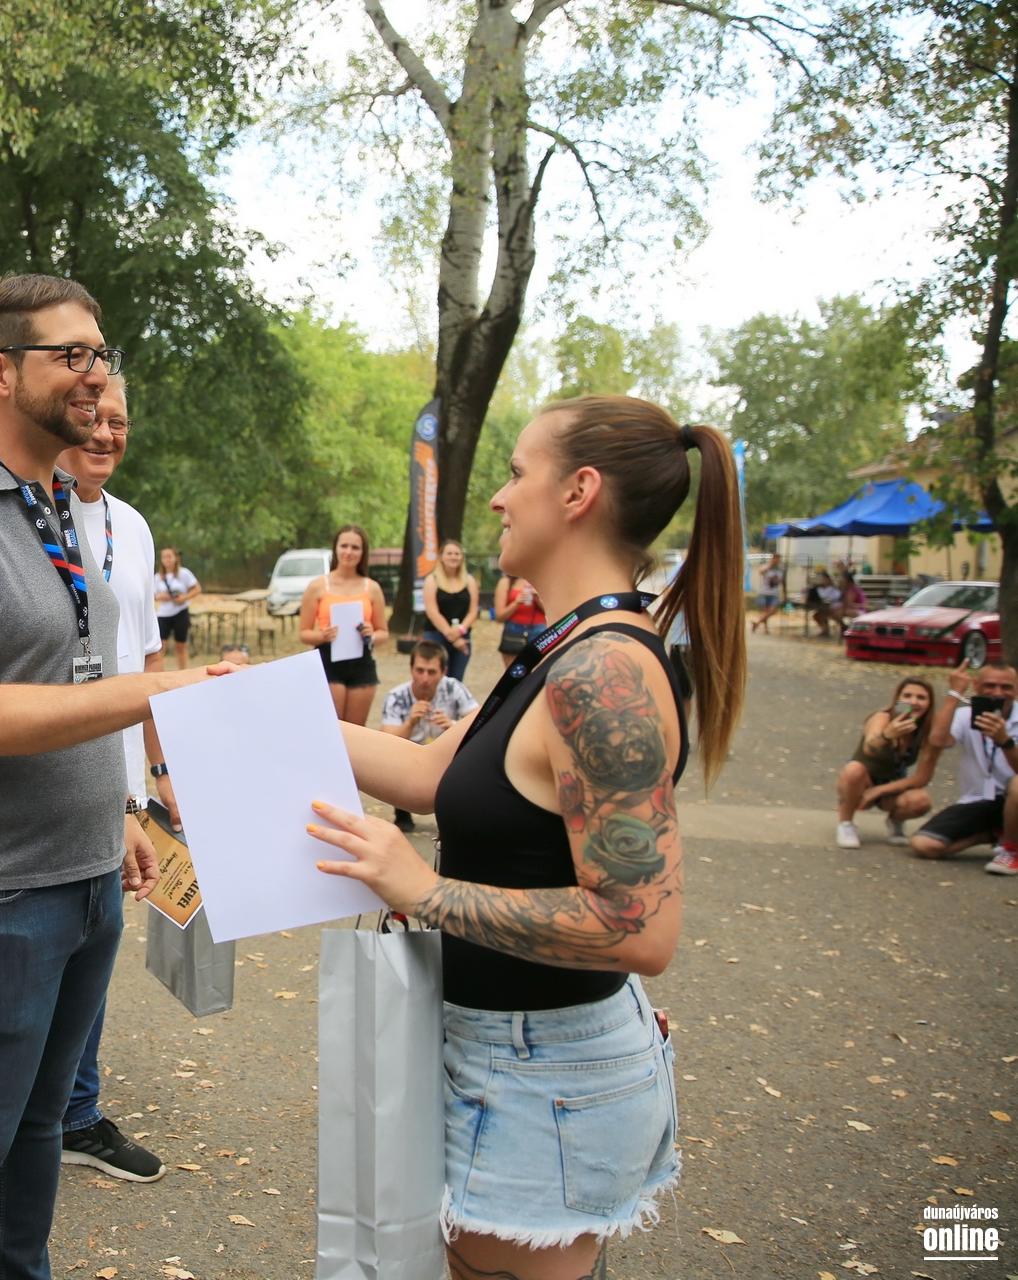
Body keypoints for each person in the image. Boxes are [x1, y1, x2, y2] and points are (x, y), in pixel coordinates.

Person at [308, 396, 746, 1279]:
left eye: (516, 474)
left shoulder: (604, 672)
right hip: (508, 1053)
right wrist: (253, 710)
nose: (499, 498)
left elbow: (639, 927)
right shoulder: (561, 647)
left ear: (579, 491)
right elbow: (427, 774)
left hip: (543, 1073)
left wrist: (425, 891)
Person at [0, 273, 226, 1278]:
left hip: (87, 877)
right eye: (70, 355)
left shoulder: (58, 506)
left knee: (39, 1126)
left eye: (99, 353)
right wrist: (158, 691)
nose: (95, 374)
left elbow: (69, 683)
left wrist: (121, 806)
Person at [53, 374, 167, 1183]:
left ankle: (72, 1110)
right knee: (56, 936)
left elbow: (149, 660)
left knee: (98, 936)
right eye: (92, 417)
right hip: (53, 768)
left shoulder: (133, 525)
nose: (104, 433)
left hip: (122, 777)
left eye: (118, 421)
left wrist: (158, 769)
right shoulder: (28, 514)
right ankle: (54, 1109)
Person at [910, 661, 1018, 874]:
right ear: (976, 686)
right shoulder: (965, 715)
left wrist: (1005, 742)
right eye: (990, 685)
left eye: (1006, 687)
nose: (998, 693)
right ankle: (995, 833)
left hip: (1014, 801)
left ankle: (1012, 851)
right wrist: (954, 693)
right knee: (924, 844)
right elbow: (938, 740)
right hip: (980, 800)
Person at [378, 639, 479, 831]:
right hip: (409, 753)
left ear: (443, 671)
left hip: (444, 751)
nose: (424, 678)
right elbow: (386, 742)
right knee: (394, 759)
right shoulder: (396, 696)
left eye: (432, 672)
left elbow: (480, 723)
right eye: (420, 671)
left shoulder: (453, 688)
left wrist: (453, 726)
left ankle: (453, 812)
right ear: (411, 669)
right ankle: (402, 811)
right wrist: (410, 722)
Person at [297, 525, 391, 725]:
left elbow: (384, 633)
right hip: (328, 661)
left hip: (362, 663)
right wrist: (323, 636)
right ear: (336, 548)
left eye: (355, 547)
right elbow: (304, 633)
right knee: (332, 727)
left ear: (363, 552)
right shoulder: (317, 586)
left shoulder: (372, 588)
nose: (349, 552)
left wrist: (372, 635)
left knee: (357, 730)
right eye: (344, 546)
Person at [833, 677, 938, 848]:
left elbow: (922, 778)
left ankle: (895, 821)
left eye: (921, 697)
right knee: (854, 769)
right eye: (907, 696)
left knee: (921, 801)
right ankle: (846, 824)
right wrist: (887, 735)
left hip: (891, 785)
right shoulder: (882, 718)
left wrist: (878, 791)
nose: (913, 702)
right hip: (861, 782)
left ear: (930, 703)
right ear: (897, 699)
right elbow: (869, 748)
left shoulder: (928, 731)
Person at [422, 538, 480, 680]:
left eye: (457, 554)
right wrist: (451, 635)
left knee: (456, 681)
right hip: (436, 636)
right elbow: (432, 612)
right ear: (441, 557)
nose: (453, 557)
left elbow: (473, 611)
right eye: (449, 553)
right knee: (436, 680)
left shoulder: (469, 581)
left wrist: (460, 631)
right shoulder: (432, 580)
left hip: (463, 638)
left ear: (462, 557)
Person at [154, 546, 200, 669]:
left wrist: (184, 597)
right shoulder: (158, 577)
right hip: (164, 614)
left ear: (175, 558)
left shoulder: (184, 573)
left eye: (169, 556)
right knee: (160, 646)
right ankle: (158, 673)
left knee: (181, 645)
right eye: (164, 557)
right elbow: (152, 595)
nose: (167, 560)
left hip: (180, 612)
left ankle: (182, 671)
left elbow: (196, 589)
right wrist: (160, 596)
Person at [494, 573, 546, 669]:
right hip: (513, 631)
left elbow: (552, 611)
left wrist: (538, 598)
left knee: (538, 671)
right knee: (515, 671)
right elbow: (500, 616)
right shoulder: (506, 582)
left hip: (539, 631)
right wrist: (516, 603)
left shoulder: (542, 579)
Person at [751, 552, 785, 632]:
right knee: (765, 611)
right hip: (764, 592)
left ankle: (757, 623)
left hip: (774, 593)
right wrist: (770, 566)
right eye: (775, 559)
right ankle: (765, 628)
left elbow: (783, 581)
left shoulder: (781, 569)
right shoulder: (765, 566)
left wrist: (784, 593)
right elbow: (760, 572)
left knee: (773, 610)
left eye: (778, 559)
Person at [807, 569, 842, 637]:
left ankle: (826, 631)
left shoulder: (833, 589)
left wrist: (828, 600)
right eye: (823, 579)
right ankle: (825, 630)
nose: (824, 580)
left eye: (825, 579)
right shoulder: (820, 588)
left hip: (833, 607)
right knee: (816, 615)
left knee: (822, 615)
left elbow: (837, 598)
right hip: (823, 607)